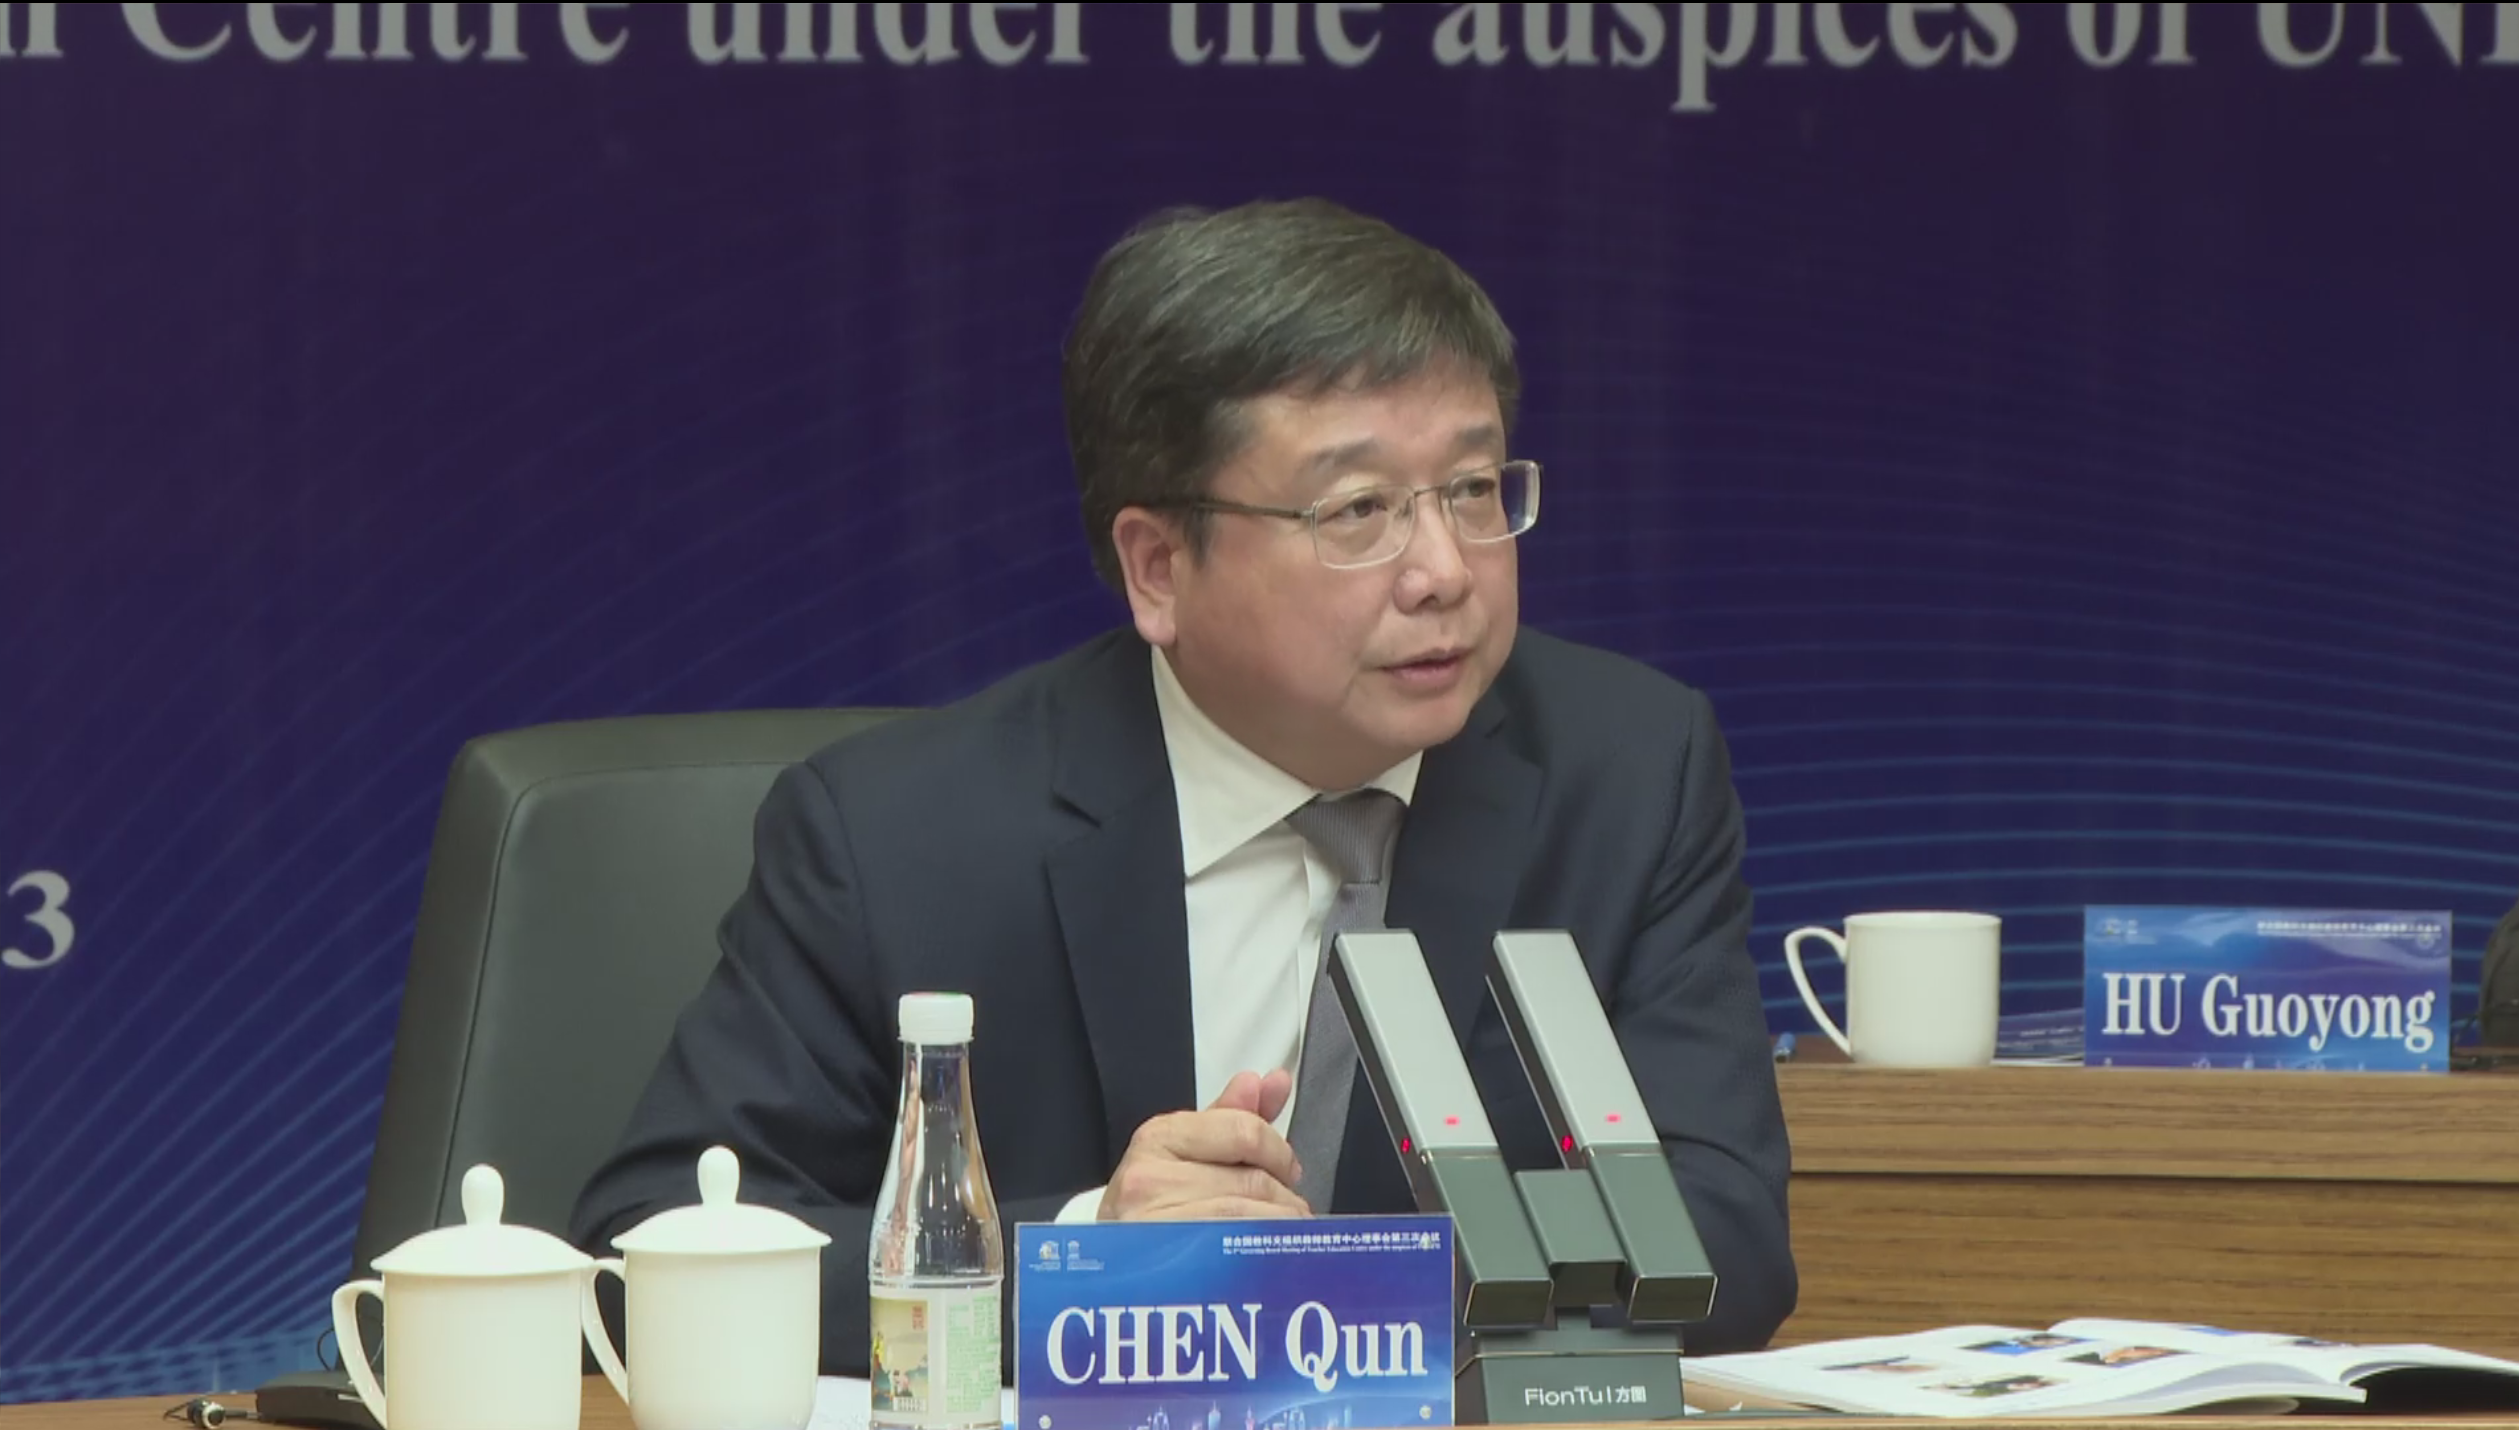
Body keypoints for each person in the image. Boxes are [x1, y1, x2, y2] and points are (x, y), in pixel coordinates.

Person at [569, 198, 1796, 1370]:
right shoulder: (896, 837)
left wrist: (1287, 1293)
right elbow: (647, 1252)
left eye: (1471, 490)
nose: (1443, 568)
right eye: (1358, 509)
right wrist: (1089, 1255)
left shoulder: (1627, 771)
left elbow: (1724, 1239)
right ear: (1157, 566)